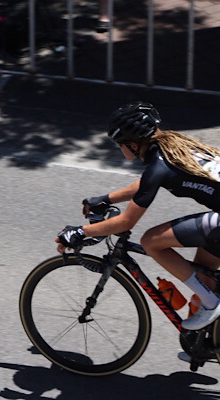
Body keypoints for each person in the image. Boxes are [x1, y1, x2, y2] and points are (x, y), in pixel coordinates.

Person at [55, 101, 220, 333]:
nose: (119, 149)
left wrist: (80, 232)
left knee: (151, 241)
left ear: (133, 144)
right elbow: (147, 184)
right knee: (204, 278)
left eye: (120, 144)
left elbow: (126, 222)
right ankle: (207, 344)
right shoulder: (172, 146)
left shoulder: (159, 166)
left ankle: (212, 304)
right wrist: (107, 198)